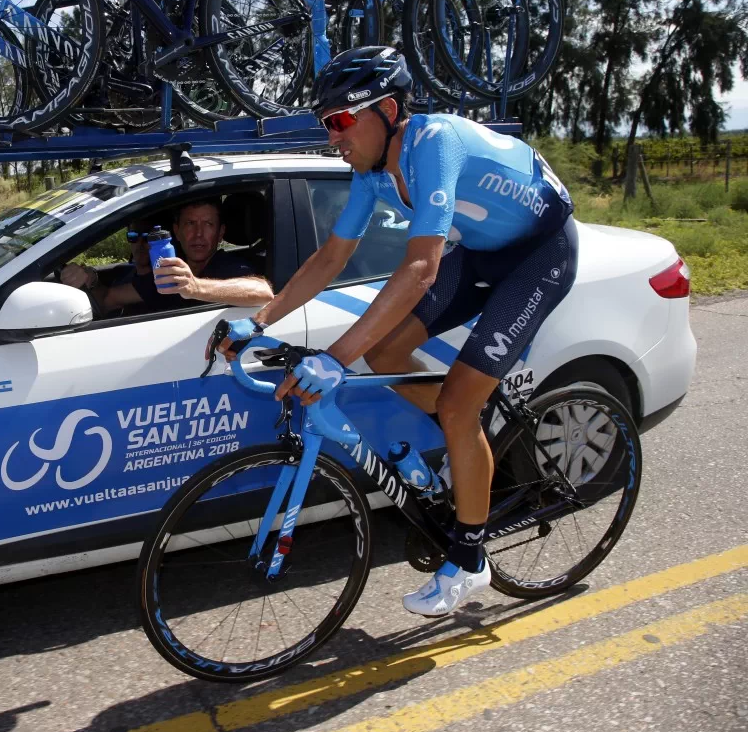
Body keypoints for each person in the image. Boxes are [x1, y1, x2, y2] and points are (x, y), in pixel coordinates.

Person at [217, 45, 578, 618]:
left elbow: (419, 268)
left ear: (384, 111)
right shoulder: (369, 173)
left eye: (339, 121)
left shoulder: (435, 143)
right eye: (325, 124)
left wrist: (334, 357)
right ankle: (467, 436)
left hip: (539, 255)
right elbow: (330, 258)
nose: (333, 137)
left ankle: (470, 557)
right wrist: (260, 320)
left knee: (457, 406)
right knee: (387, 352)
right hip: (483, 253)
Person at [61, 199, 274, 315]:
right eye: (190, 224)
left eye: (208, 225)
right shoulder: (168, 270)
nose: (198, 234)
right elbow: (107, 300)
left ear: (220, 234)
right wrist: (90, 279)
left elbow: (263, 292)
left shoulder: (230, 268)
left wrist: (195, 287)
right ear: (177, 231)